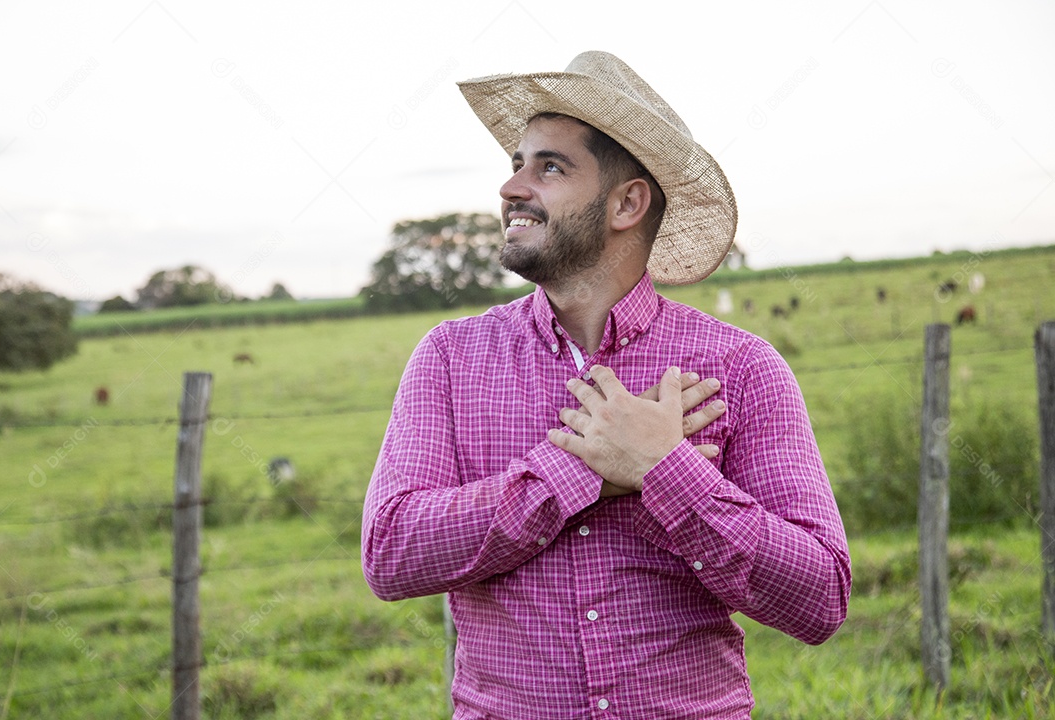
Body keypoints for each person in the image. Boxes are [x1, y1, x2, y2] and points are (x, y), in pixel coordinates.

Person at [362, 51, 851, 719]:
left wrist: (665, 469)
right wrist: (577, 471)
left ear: (627, 202)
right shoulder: (450, 358)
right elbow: (392, 553)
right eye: (515, 165)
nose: (511, 189)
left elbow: (820, 599)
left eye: (550, 167)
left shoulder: (741, 367)